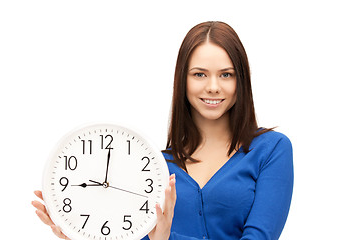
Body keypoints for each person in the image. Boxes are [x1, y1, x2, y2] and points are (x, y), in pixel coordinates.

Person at [32, 21, 293, 240]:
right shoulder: (155, 167)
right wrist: (79, 233)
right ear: (183, 79)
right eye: (199, 74)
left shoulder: (271, 150)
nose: (213, 87)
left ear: (242, 80)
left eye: (226, 74)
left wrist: (166, 237)